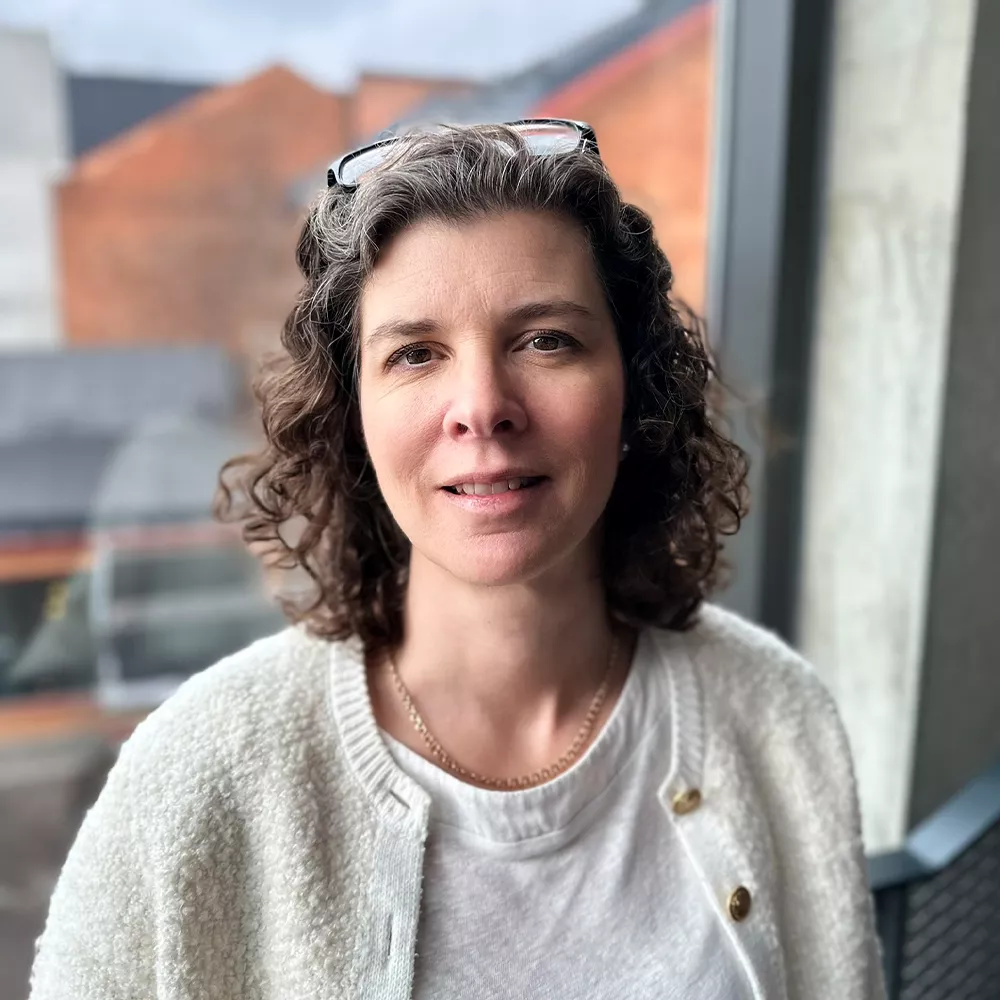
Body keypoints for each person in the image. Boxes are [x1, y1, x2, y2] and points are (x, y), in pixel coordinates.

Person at [29, 121, 886, 1000]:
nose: (481, 406)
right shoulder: (198, 773)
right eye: (414, 354)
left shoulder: (776, 715)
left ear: (637, 389)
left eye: (546, 339)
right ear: (351, 418)